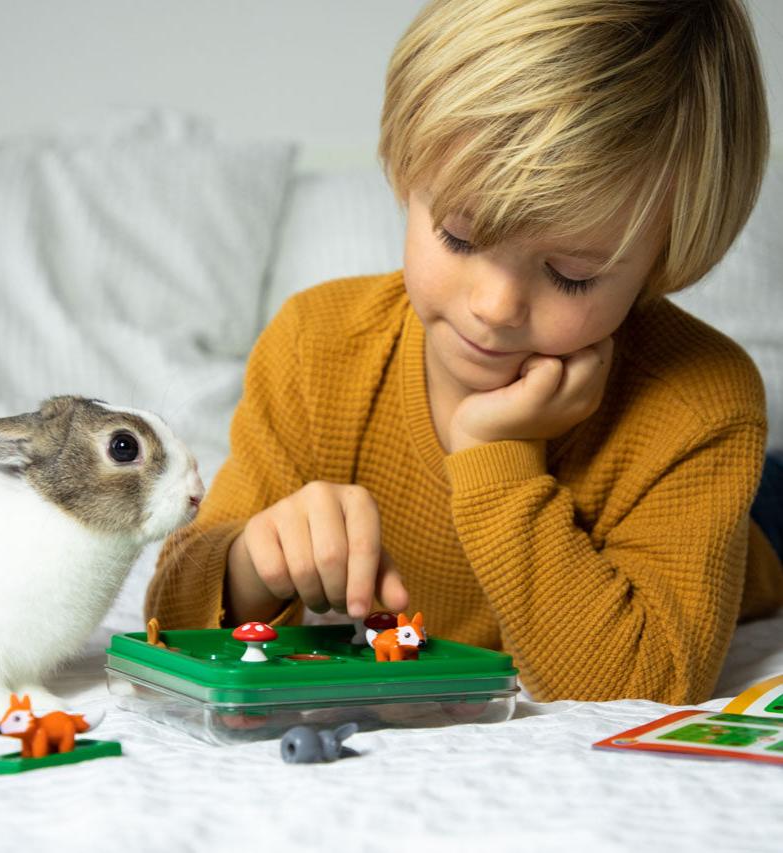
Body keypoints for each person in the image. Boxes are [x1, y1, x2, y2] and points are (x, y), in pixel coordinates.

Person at [146, 0, 783, 704]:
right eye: (458, 236)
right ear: (401, 173)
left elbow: (635, 685)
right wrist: (250, 565)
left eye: (571, 274)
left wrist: (496, 452)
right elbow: (168, 624)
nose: (495, 306)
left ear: (662, 263)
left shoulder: (700, 402)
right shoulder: (314, 349)